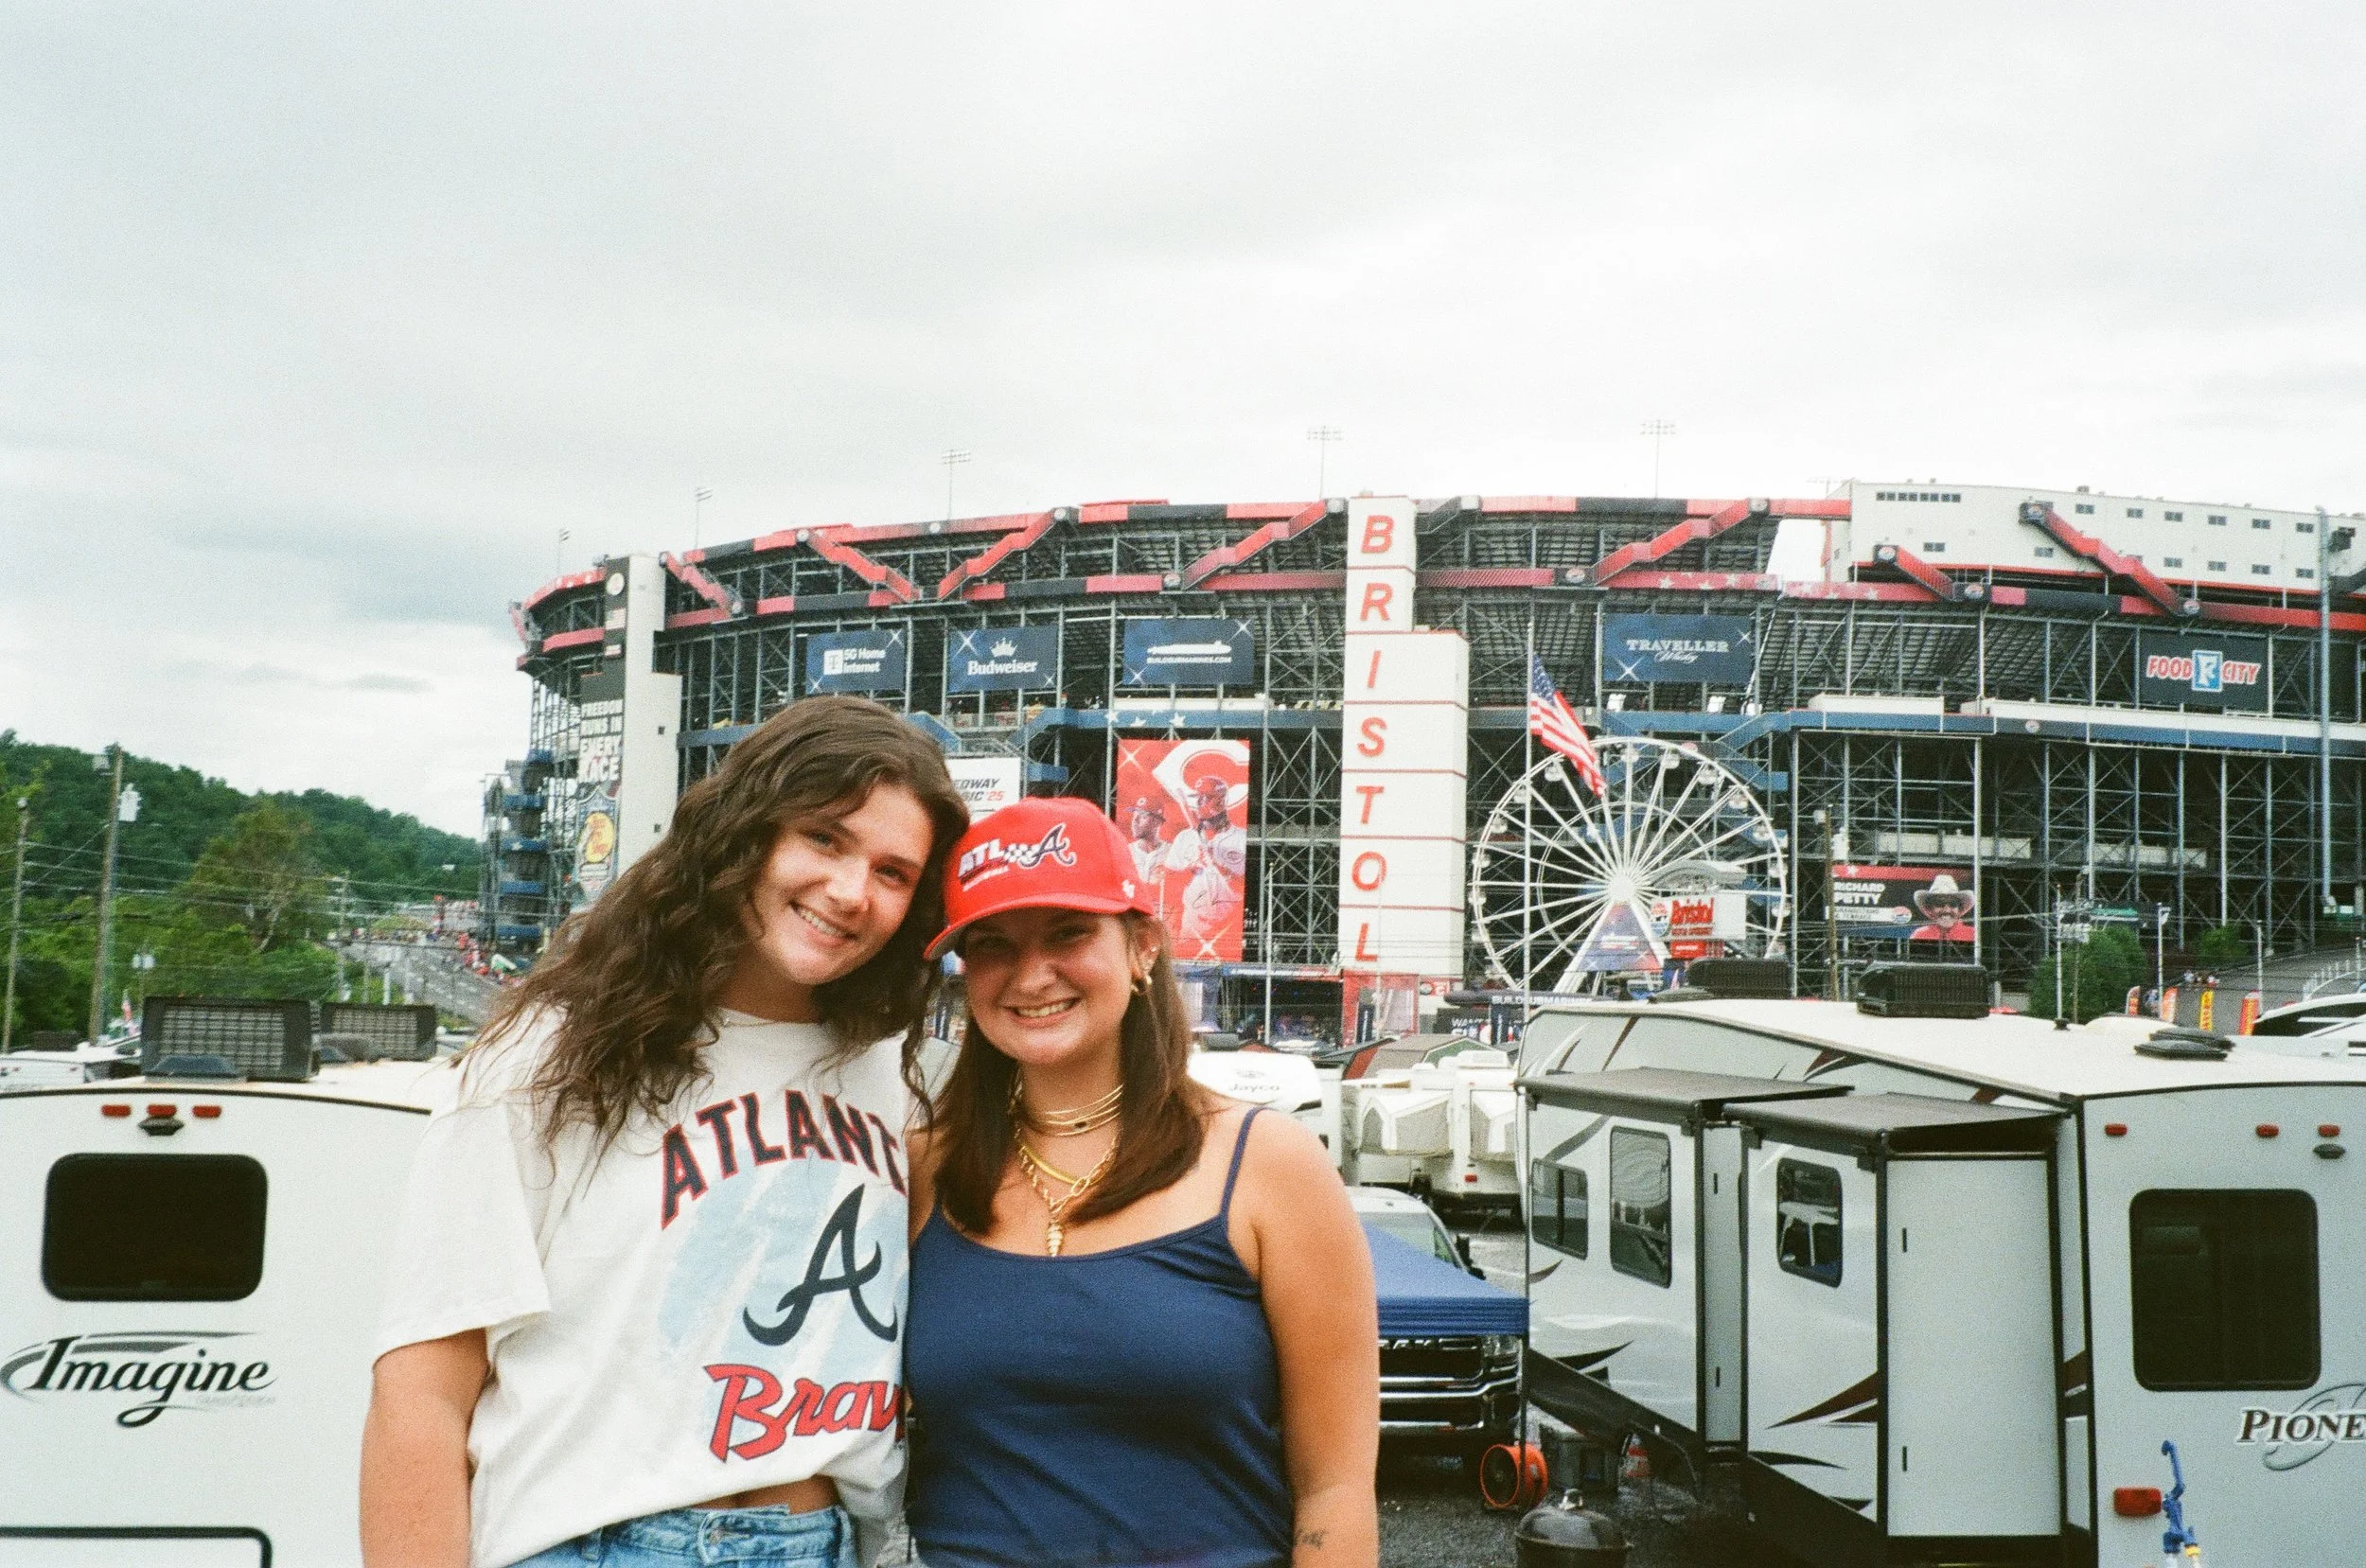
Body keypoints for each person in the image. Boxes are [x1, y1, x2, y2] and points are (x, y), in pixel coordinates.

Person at [359, 697, 970, 1568]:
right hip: (596, 1544)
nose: (850, 891)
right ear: (743, 833)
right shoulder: (554, 1051)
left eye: (893, 872)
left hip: (823, 1541)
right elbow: (422, 1388)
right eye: (824, 839)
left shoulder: (894, 1072)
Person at [904, 797, 1379, 1568]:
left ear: (1142, 946)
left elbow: (1335, 1492)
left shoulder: (1266, 1165)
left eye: (1069, 933)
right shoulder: (923, 1169)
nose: (1032, 975)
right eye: (993, 944)